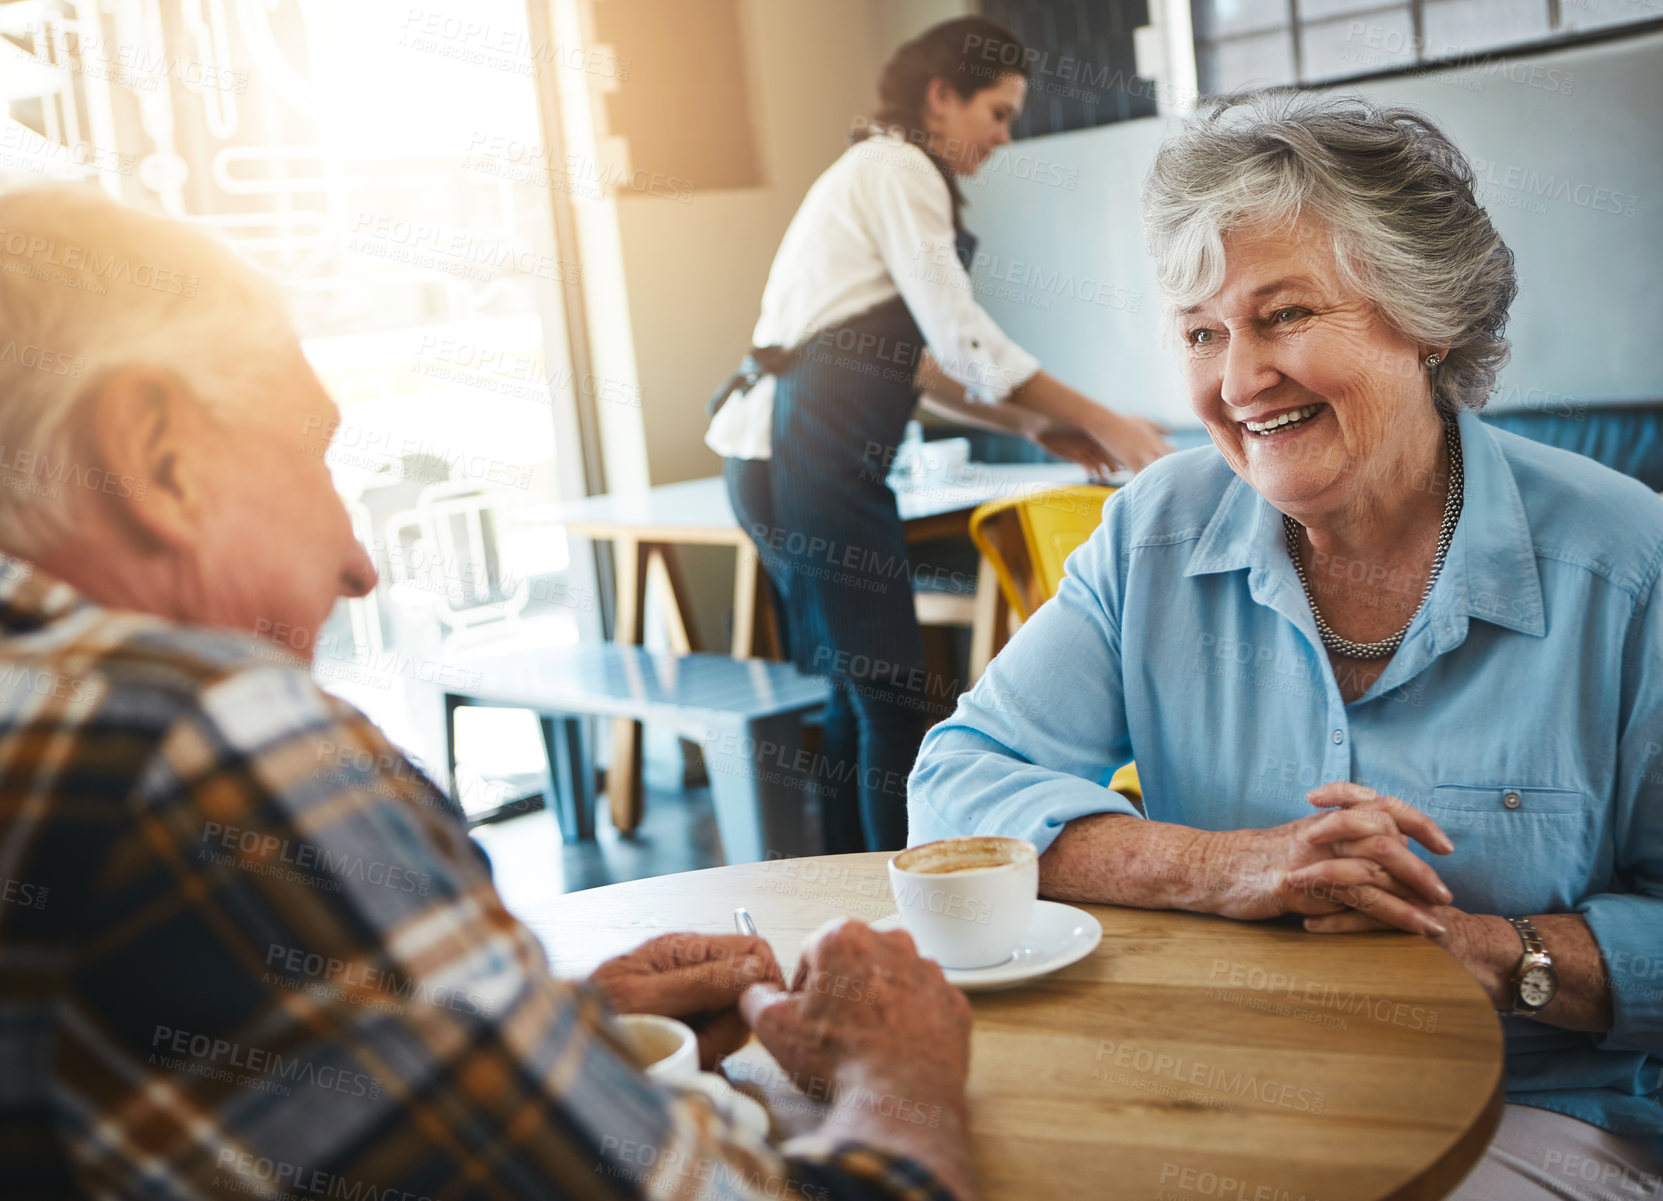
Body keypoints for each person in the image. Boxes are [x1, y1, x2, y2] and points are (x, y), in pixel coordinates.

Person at [0, 186, 978, 1201]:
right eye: (313, 455)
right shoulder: (199, 738)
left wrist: (525, 1042)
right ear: (155, 456)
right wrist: (893, 1075)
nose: (359, 564)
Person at [909, 93, 1663, 1196]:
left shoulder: (1627, 566)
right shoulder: (1153, 531)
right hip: (1212, 1089)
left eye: (1285, 314)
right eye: (1204, 332)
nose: (1237, 380)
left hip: (1534, 1110)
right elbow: (954, 788)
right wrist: (1228, 867)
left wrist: (1498, 956)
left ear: (1426, 316)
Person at [706, 17, 1172, 855]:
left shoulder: (884, 173)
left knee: (859, 694)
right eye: (996, 112)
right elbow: (965, 343)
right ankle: (905, 898)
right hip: (797, 457)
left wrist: (1044, 425)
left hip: (785, 463)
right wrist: (1105, 421)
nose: (1003, 136)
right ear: (940, 96)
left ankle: (848, 888)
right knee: (887, 694)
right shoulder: (894, 165)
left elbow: (923, 370)